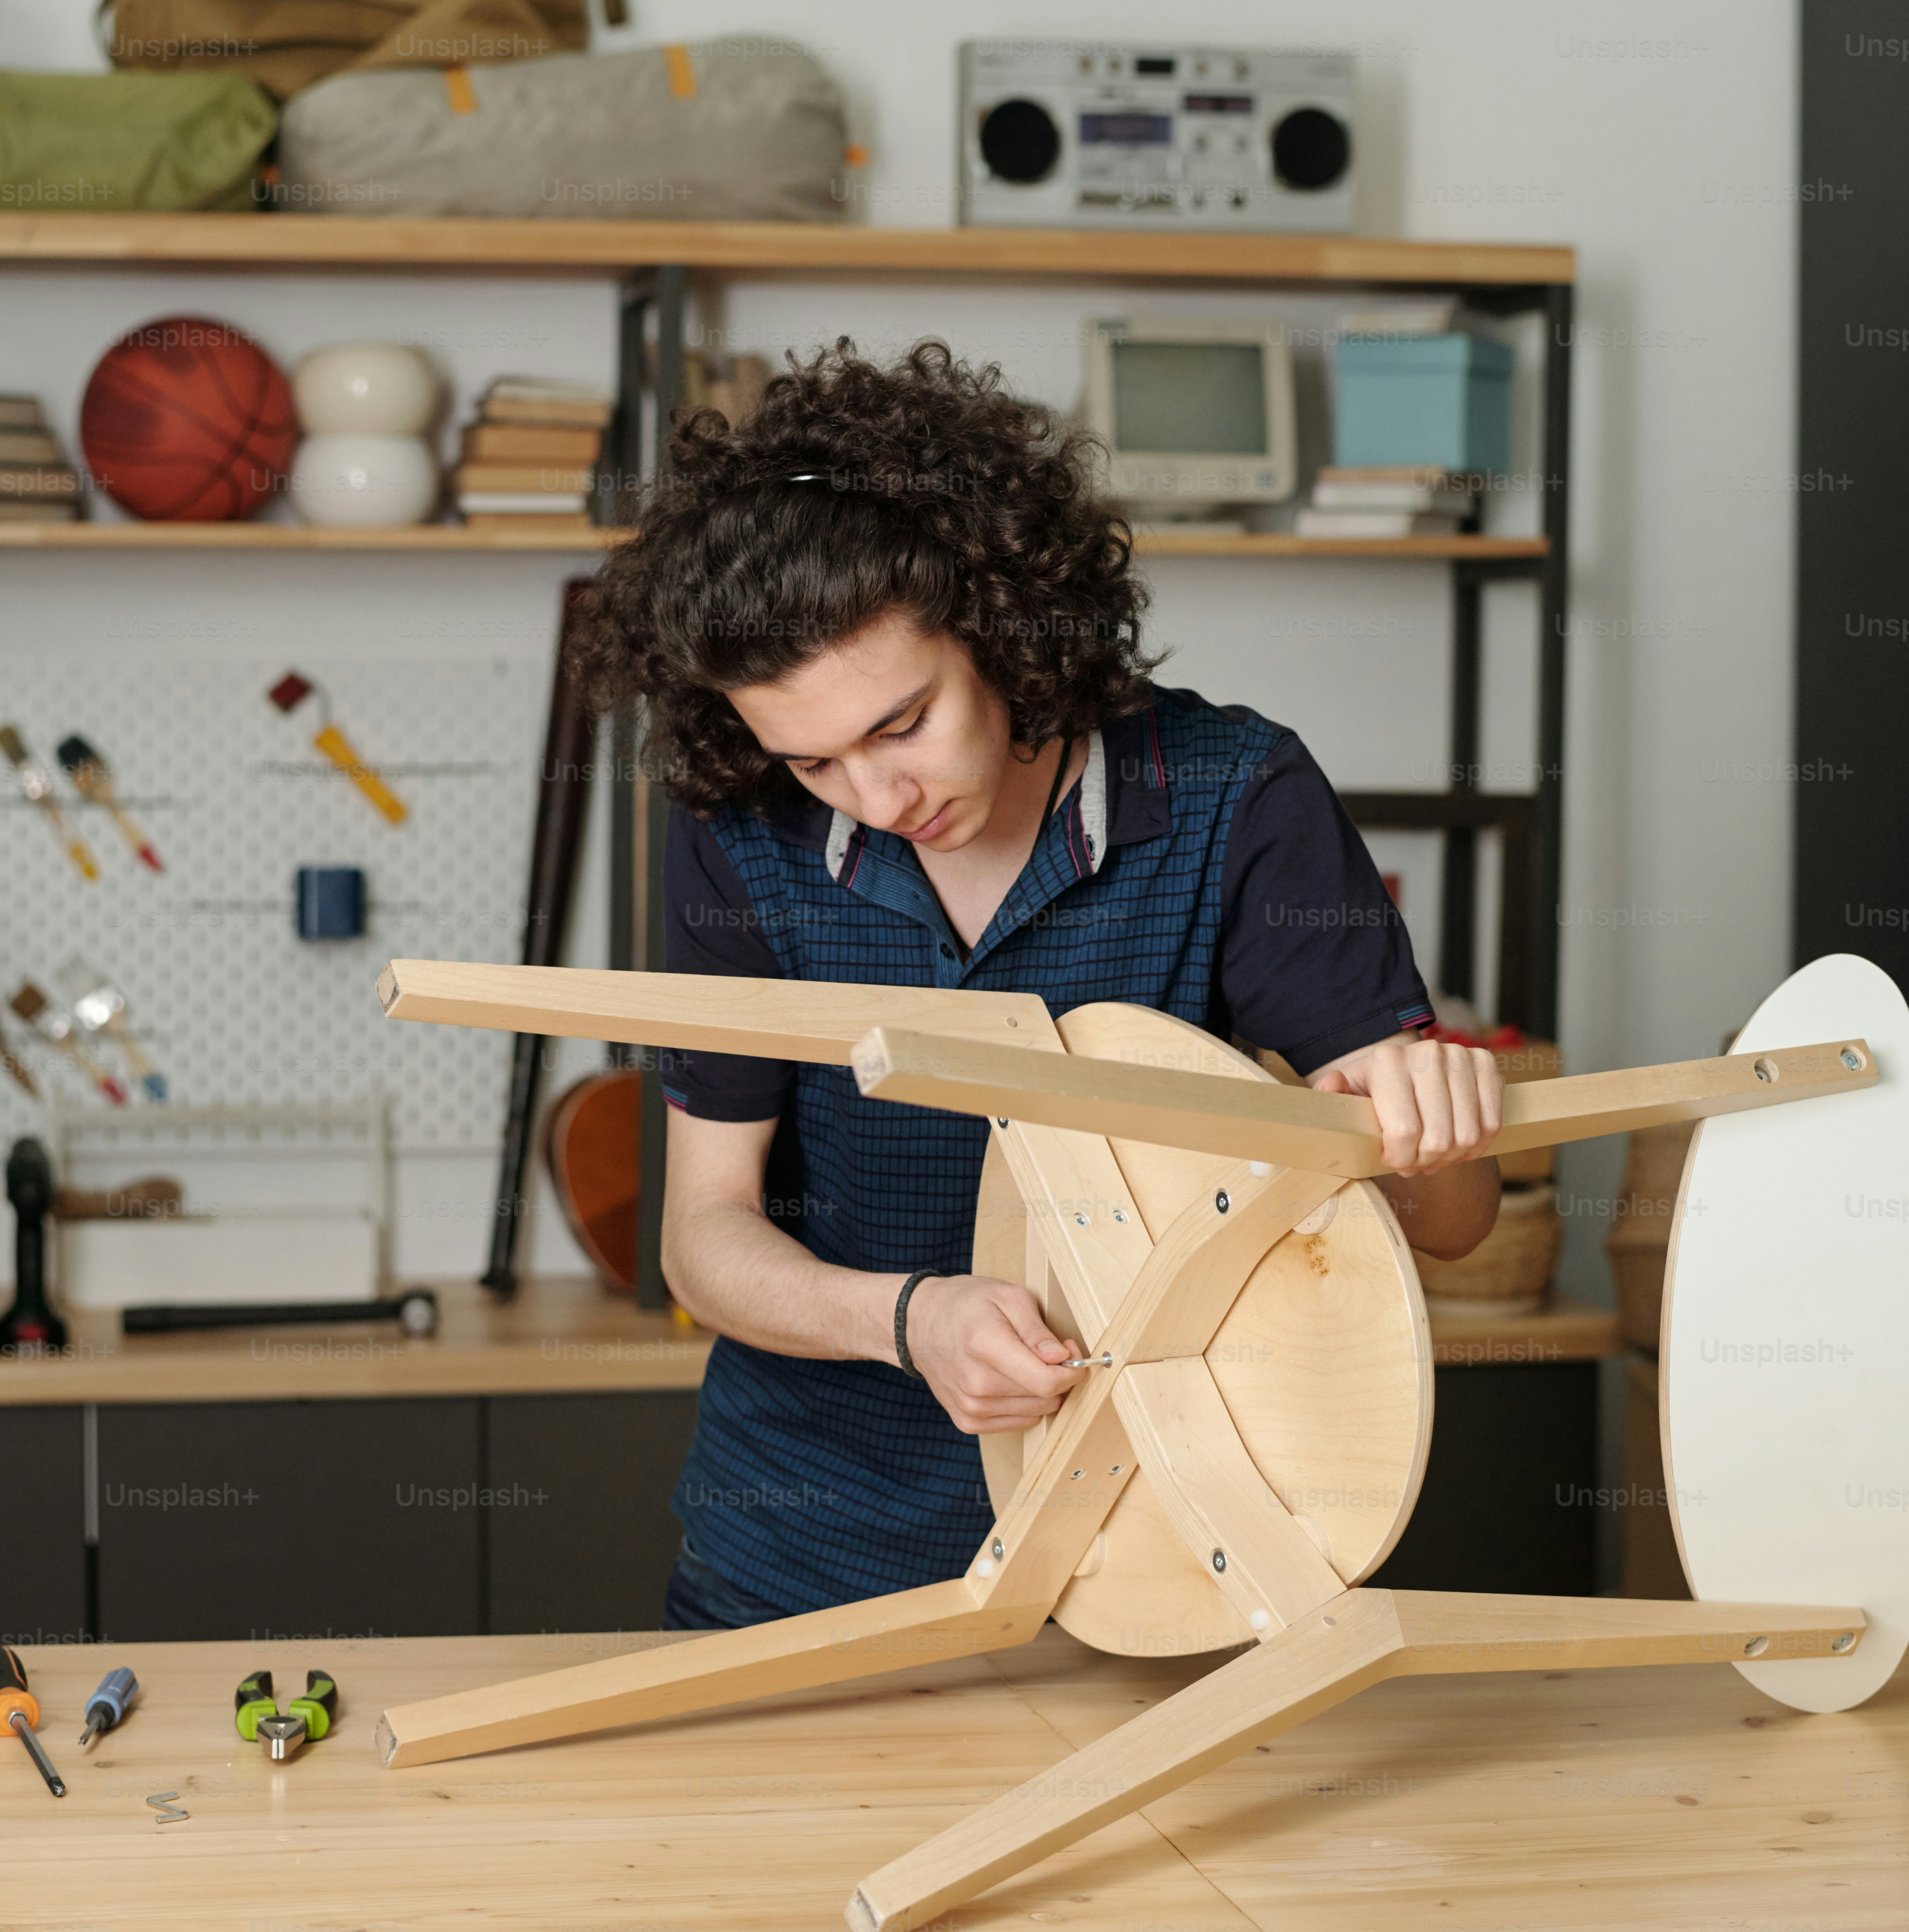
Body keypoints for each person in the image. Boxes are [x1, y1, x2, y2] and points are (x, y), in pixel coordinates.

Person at [576, 341, 1505, 1632]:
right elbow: (706, 1236)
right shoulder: (740, 829)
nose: (879, 800)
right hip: (805, 1559)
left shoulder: (1235, 799)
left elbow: (1457, 1221)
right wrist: (909, 1323)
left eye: (902, 725)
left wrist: (1425, 1110)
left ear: (1002, 623)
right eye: (816, 762)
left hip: (1178, 1557)